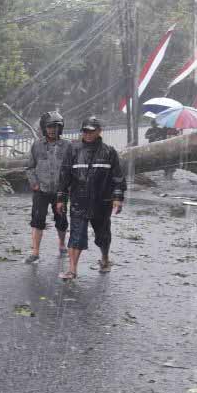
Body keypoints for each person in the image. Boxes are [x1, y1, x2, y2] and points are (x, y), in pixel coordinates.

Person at [55, 116, 126, 280]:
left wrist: (118, 197)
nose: (87, 134)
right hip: (79, 201)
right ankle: (72, 270)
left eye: (91, 131)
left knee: (103, 236)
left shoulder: (109, 152)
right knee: (76, 235)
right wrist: (61, 198)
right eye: (85, 130)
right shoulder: (73, 150)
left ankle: (105, 258)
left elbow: (118, 177)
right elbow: (65, 176)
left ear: (99, 131)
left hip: (102, 202)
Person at [24, 111, 72, 263]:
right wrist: (35, 184)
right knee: (37, 220)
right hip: (41, 191)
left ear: (61, 128)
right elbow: (30, 167)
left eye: (56, 127)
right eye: (50, 127)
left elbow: (72, 168)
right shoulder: (37, 146)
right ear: (44, 128)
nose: (53, 130)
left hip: (60, 191)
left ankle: (62, 245)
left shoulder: (67, 146)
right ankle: (35, 252)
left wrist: (69, 186)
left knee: (62, 220)